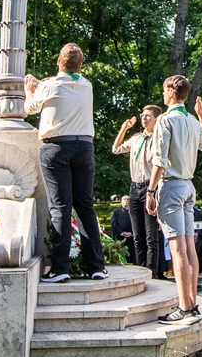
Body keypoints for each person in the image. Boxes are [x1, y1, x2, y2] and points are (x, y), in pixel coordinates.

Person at [25, 43, 106, 283]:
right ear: (80, 65)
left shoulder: (50, 86)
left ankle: (60, 268)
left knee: (60, 207)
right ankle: (96, 266)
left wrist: (30, 89)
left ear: (59, 61)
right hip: (84, 147)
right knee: (85, 207)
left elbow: (29, 108)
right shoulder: (86, 85)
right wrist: (44, 84)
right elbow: (63, 86)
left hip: (57, 148)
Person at [145, 75, 202, 322]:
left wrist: (150, 192)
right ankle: (192, 303)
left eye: (164, 90)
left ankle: (184, 307)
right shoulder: (193, 121)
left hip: (171, 186)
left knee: (177, 248)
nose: (162, 94)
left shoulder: (165, 120)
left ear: (172, 92)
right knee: (189, 246)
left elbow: (159, 160)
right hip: (188, 186)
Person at [112, 105, 164, 276]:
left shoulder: (159, 139)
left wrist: (153, 191)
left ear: (156, 119)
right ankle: (140, 270)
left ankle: (152, 272)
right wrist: (123, 129)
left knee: (151, 236)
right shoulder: (136, 138)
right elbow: (116, 148)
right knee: (137, 235)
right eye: (143, 115)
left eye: (148, 115)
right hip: (135, 188)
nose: (144, 118)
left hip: (151, 187)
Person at [110, 195, 134, 263]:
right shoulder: (116, 212)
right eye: (124, 199)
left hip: (132, 238)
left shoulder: (134, 212)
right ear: (121, 202)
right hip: (119, 239)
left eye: (128, 199)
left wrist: (132, 233)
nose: (126, 201)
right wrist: (122, 233)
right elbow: (113, 224)